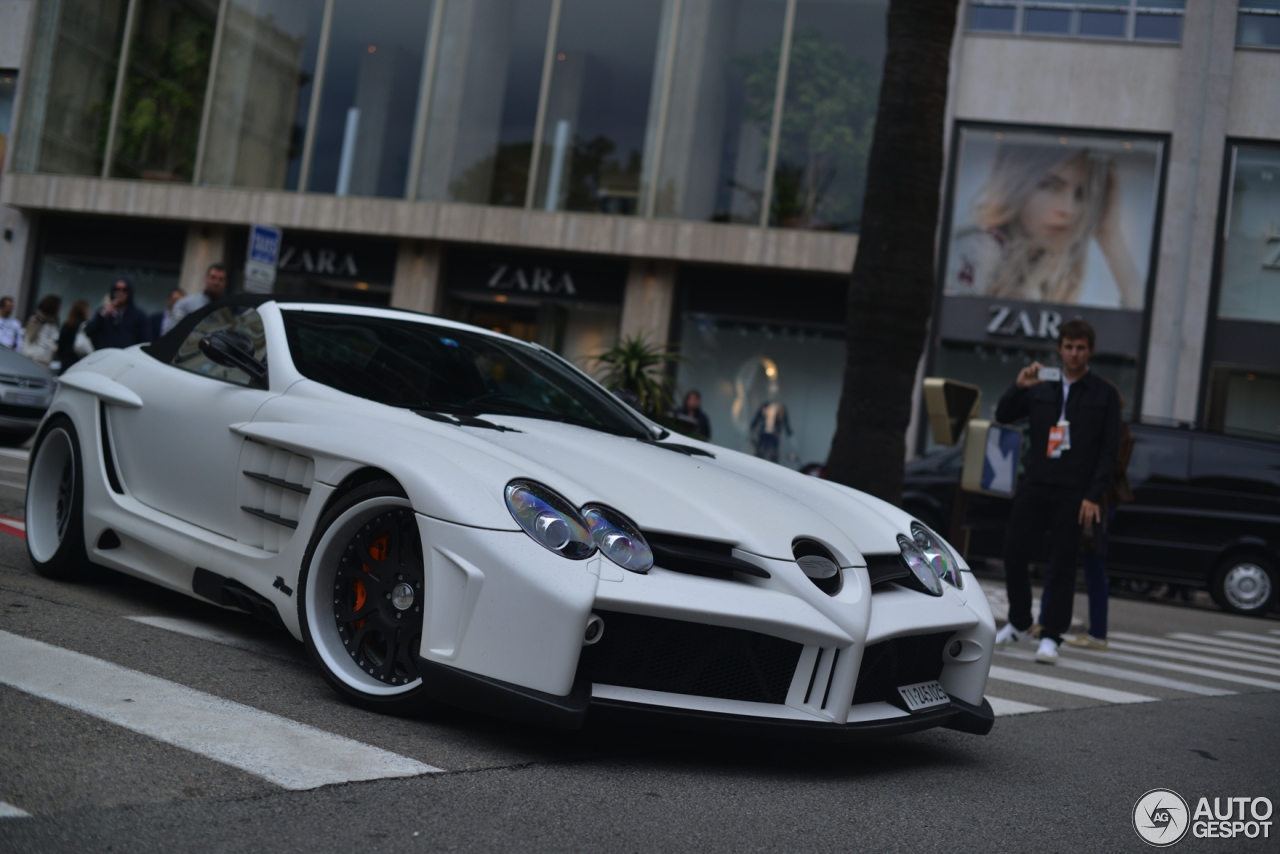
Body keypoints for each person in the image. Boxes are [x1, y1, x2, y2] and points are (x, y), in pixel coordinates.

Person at [993, 318, 1121, 664]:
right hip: (1035, 483)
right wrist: (1019, 385)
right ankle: (1020, 622)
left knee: (1063, 564)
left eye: (1081, 347)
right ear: (1059, 349)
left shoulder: (1104, 394)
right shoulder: (1039, 386)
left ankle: (1051, 637)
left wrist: (1094, 494)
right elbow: (1004, 415)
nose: (1074, 353)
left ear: (1090, 350)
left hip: (1074, 491)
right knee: (1013, 553)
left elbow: (1110, 448)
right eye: (1069, 347)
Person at [948, 145, 1143, 309]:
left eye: (1081, 195)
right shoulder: (979, 250)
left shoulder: (1045, 268)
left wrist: (1111, 236)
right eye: (1050, 186)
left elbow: (1147, 335)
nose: (1068, 210)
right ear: (1018, 184)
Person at [84, 277, 152, 350]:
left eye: (124, 290)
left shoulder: (138, 315)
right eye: (117, 289)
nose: (120, 293)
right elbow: (89, 331)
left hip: (128, 358)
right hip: (105, 356)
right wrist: (102, 315)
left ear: (129, 292)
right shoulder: (103, 312)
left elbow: (146, 341)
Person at [164, 263, 227, 333]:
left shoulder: (228, 309)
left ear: (225, 282)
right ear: (206, 278)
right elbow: (170, 333)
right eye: (213, 278)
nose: (216, 282)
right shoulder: (185, 304)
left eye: (221, 279)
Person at [21, 295, 61, 368]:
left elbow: (52, 340)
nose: (59, 310)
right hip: (32, 358)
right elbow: (28, 338)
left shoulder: (53, 323)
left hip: (45, 359)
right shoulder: (36, 320)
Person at [55, 299, 92, 373]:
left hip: (65, 361)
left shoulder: (66, 325)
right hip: (78, 362)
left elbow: (60, 346)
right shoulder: (84, 326)